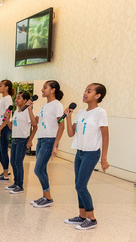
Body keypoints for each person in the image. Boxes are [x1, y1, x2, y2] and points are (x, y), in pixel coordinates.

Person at [63, 83, 110, 230]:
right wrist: (68, 117)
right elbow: (71, 133)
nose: (84, 93)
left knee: (81, 185)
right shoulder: (82, 112)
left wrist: (104, 158)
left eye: (89, 91)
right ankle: (82, 216)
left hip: (91, 153)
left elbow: (105, 136)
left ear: (97, 96)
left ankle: (92, 218)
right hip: (80, 152)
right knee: (78, 185)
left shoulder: (100, 113)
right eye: (84, 90)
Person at [28, 80, 65, 208]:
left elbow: (61, 126)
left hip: (49, 140)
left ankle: (48, 197)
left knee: (38, 169)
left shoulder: (57, 105)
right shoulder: (44, 107)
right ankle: (45, 196)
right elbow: (34, 123)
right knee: (42, 169)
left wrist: (55, 145)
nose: (42, 90)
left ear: (53, 90)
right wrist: (29, 109)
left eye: (45, 87)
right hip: (41, 140)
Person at [4, 91, 37, 194]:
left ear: (25, 100)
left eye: (19, 98)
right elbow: (11, 127)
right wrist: (7, 118)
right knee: (13, 162)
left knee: (18, 163)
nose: (16, 100)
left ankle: (20, 186)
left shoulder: (28, 112)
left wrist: (30, 140)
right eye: (16, 98)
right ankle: (15, 183)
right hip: (14, 139)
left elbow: (35, 125)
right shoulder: (16, 112)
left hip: (23, 140)